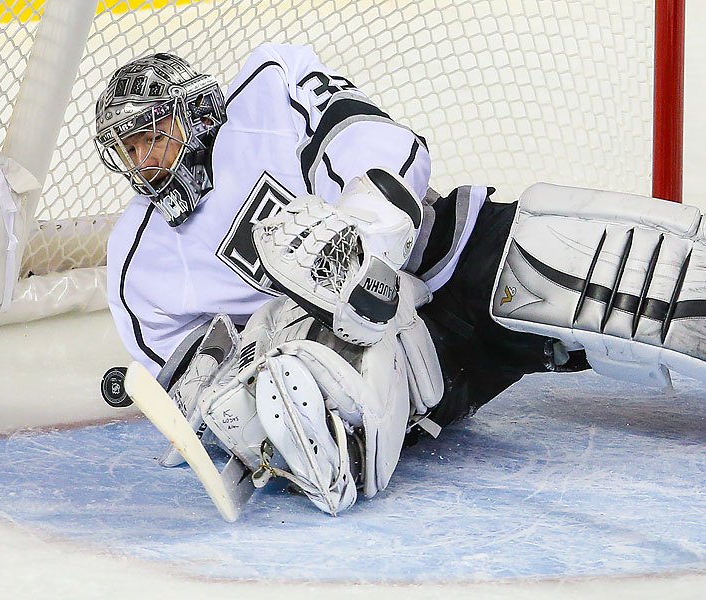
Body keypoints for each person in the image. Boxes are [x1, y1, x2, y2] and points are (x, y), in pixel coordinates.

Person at [96, 45, 706, 515]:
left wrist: (365, 230)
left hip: (446, 258)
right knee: (304, 390)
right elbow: (183, 380)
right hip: (400, 368)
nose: (145, 161)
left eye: (155, 135)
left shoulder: (266, 90)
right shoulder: (136, 263)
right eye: (129, 149)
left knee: (616, 278)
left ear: (197, 114)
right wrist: (228, 402)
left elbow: (379, 140)